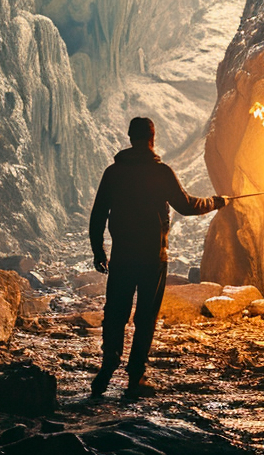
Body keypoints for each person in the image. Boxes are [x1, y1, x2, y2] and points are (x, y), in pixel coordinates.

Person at [88, 116, 227, 397]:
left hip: (122, 256)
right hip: (153, 256)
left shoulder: (113, 173)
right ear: (152, 138)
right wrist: (216, 202)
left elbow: (98, 214)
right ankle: (135, 377)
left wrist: (98, 250)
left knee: (115, 314)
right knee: (145, 318)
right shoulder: (161, 172)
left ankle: (109, 363)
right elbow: (186, 206)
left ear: (130, 138)